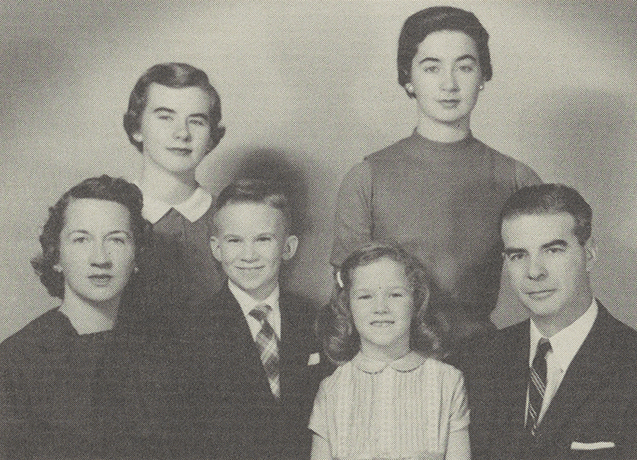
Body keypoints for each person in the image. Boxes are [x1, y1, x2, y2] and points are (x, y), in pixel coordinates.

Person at [331, 6, 541, 347]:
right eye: (431, 68)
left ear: (483, 76)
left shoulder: (516, 178)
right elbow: (345, 301)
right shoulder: (366, 178)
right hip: (391, 363)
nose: (449, 84)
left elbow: (545, 282)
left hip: (483, 365)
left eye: (464, 67)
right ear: (408, 78)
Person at [456, 184, 637, 459]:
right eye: (518, 255)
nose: (534, 272)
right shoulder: (474, 362)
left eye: (553, 250)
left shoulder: (630, 360)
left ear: (590, 254)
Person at [0, 175, 151, 459]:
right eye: (81, 239)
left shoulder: (166, 353)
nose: (100, 258)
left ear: (136, 257)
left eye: (117, 240)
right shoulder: (14, 363)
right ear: (56, 256)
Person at [188, 178, 324, 459]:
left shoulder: (316, 321)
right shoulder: (190, 332)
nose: (249, 255)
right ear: (216, 248)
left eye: (263, 239)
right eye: (235, 240)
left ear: (288, 247)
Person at [310, 242, 470, 460]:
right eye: (365, 296)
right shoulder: (332, 390)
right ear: (347, 306)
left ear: (416, 301)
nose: (380, 308)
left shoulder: (448, 382)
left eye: (395, 295)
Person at [123, 62, 226, 299]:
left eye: (197, 121)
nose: (182, 133)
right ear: (137, 127)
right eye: (165, 117)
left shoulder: (229, 218)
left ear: (211, 138)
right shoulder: (113, 215)